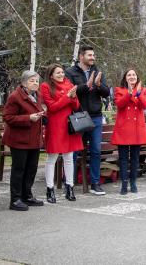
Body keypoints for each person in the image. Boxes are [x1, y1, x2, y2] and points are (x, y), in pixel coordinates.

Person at [65, 45, 110, 195]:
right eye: (89, 55)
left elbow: (106, 92)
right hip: (79, 116)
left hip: (96, 117)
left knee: (96, 151)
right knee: (74, 151)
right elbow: (70, 93)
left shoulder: (97, 71)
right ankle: (69, 184)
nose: (93, 57)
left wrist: (98, 85)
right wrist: (86, 86)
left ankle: (95, 183)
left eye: (93, 55)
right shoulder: (70, 72)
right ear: (81, 57)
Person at [41, 64, 84, 203]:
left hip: (68, 125)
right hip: (55, 126)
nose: (61, 75)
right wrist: (67, 96)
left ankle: (69, 187)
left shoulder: (69, 83)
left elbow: (76, 106)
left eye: (62, 72)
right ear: (51, 75)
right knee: (52, 158)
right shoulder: (45, 86)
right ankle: (50, 189)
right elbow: (52, 107)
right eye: (58, 73)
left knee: (69, 157)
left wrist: (73, 97)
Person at [3, 70, 45, 211]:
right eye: (32, 80)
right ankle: (15, 200)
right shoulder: (15, 96)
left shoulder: (37, 95)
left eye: (37, 81)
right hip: (19, 140)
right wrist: (28, 118)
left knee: (31, 169)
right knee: (19, 169)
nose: (35, 83)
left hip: (34, 139)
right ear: (24, 82)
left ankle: (27, 196)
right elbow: (8, 117)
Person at [111, 69, 146, 194]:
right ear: (125, 77)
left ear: (137, 77)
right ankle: (124, 184)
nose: (132, 76)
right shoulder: (118, 90)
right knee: (123, 159)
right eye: (129, 75)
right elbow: (120, 104)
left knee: (135, 158)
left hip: (136, 128)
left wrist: (137, 94)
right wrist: (130, 93)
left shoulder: (142, 90)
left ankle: (133, 182)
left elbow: (144, 105)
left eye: (134, 75)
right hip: (123, 128)